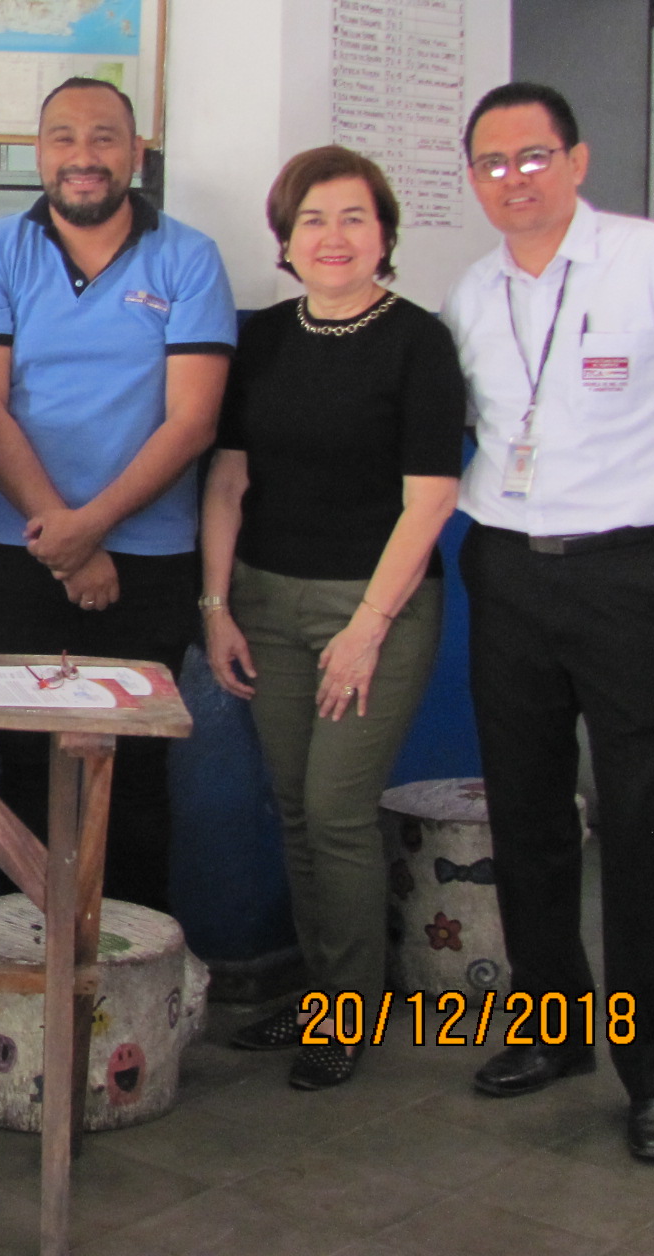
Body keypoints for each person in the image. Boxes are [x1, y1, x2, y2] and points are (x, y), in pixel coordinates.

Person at [443, 82, 654, 1164]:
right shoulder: (470, 295)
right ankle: (556, 1032)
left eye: (531, 156)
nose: (512, 178)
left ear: (576, 161)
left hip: (628, 572)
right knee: (529, 816)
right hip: (507, 571)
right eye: (489, 163)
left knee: (637, 823)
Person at [199, 147, 464, 1090]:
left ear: (384, 232)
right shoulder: (264, 339)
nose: (334, 236)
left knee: (340, 812)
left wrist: (367, 627)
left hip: (375, 609)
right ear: (285, 238)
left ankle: (347, 1014)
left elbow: (429, 500)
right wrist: (218, 607)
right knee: (297, 813)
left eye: (354, 217)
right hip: (265, 604)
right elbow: (229, 481)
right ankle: (323, 997)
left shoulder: (419, 342)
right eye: (312, 219)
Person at [0, 77, 235, 910]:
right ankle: (28, 982)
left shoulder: (188, 257)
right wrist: (65, 545)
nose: (83, 156)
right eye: (63, 138)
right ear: (38, 154)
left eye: (105, 138)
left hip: (150, 560)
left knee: (134, 776)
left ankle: (126, 987)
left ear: (136, 154)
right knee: (28, 769)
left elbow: (193, 420)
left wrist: (92, 530)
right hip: (16, 554)